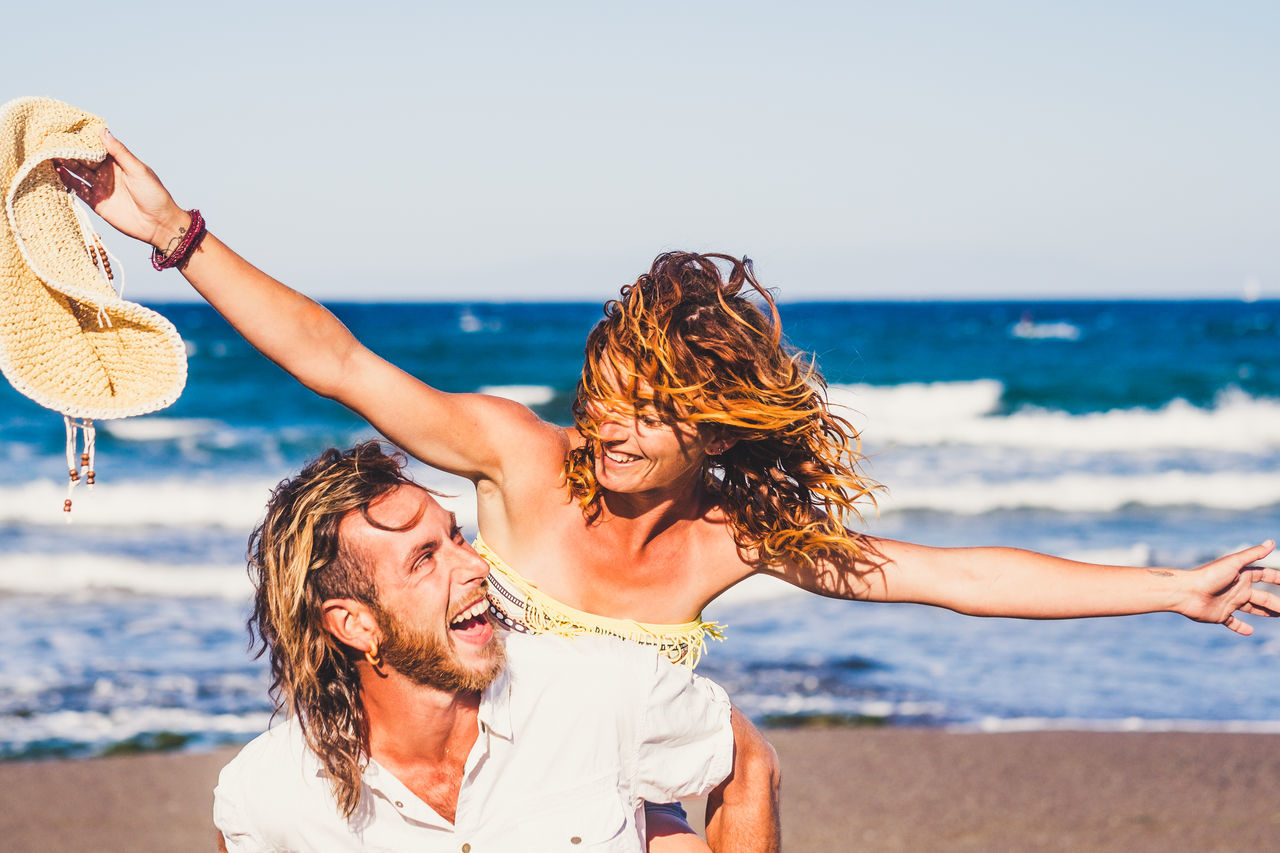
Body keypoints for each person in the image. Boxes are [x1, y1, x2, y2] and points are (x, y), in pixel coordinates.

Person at [60, 130, 1278, 851]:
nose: (611, 424)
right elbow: (337, 359)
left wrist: (1169, 588)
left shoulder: (728, 538)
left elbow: (946, 576)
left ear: (712, 426)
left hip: (614, 799)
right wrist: (175, 234)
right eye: (606, 389)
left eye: (651, 407)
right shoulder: (516, 457)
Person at [215, 441, 769, 852]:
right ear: (356, 626)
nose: (477, 564)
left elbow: (746, 763)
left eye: (455, 535)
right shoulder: (269, 796)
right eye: (424, 559)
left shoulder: (603, 689)